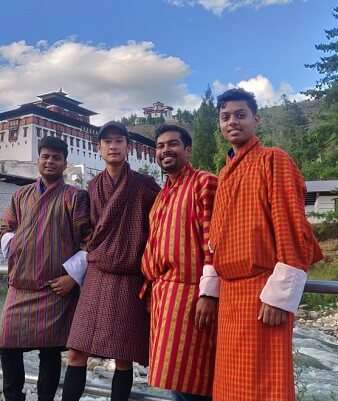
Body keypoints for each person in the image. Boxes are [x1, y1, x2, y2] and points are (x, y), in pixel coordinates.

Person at [209, 88, 323, 401]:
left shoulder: (273, 159)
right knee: (230, 387)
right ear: (220, 124)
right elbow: (215, 239)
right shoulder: (226, 173)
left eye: (240, 115)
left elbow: (291, 225)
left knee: (263, 386)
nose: (233, 121)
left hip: (263, 293)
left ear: (256, 119)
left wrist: (280, 296)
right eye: (225, 117)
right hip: (230, 295)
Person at [62, 122, 160, 401]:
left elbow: (158, 227)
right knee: (77, 349)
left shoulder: (144, 186)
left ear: (128, 147)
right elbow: (85, 228)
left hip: (129, 277)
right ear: (99, 148)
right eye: (107, 142)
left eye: (119, 141)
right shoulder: (92, 186)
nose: (113, 146)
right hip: (97, 274)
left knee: (124, 354)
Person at [0, 136, 91, 401]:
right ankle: (13, 397)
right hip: (21, 285)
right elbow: (6, 229)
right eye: (45, 157)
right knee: (7, 344)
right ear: (38, 160)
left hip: (55, 288)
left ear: (65, 163)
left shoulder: (75, 197)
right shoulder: (21, 195)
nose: (50, 162)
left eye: (56, 158)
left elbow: (88, 240)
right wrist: (22, 247)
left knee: (50, 352)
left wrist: (72, 278)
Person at [140, 124, 219, 401]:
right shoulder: (162, 195)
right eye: (160, 146)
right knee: (176, 379)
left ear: (188, 149)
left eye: (172, 144)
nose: (165, 151)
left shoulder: (204, 182)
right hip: (164, 295)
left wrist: (209, 294)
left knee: (194, 380)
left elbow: (214, 241)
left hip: (191, 295)